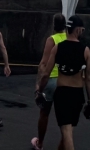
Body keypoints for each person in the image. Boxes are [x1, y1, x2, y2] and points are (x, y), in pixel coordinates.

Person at [37, 15, 90, 150]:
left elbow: (46, 73)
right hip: (78, 94)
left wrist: (39, 91)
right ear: (78, 30)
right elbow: (89, 78)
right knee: (68, 130)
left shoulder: (58, 48)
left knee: (66, 132)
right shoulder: (85, 50)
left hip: (63, 93)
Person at [31, 13, 66, 150]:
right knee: (64, 117)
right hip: (65, 80)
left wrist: (38, 84)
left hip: (51, 79)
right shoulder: (69, 39)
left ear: (53, 25)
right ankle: (63, 143)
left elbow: (44, 64)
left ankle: (40, 143)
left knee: (44, 113)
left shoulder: (52, 40)